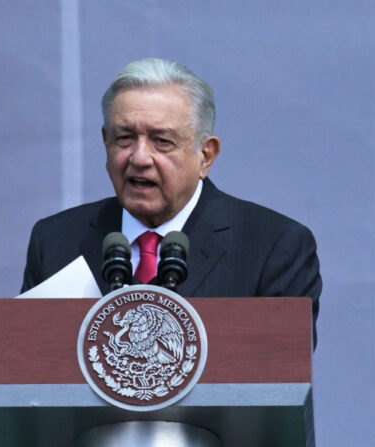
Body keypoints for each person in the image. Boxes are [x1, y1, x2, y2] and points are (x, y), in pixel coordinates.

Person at [21, 58, 321, 345]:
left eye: (161, 141)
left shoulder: (273, 246)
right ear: (105, 142)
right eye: (124, 138)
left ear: (205, 156)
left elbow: (278, 375)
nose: (139, 158)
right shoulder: (55, 241)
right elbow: (26, 372)